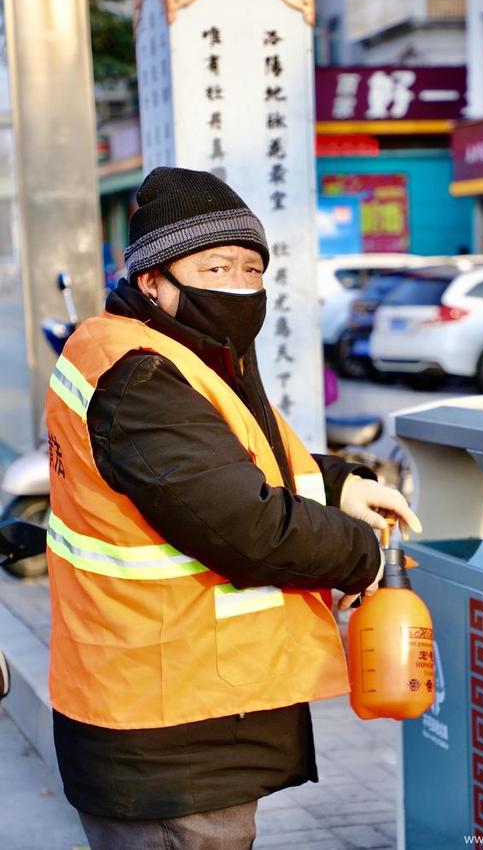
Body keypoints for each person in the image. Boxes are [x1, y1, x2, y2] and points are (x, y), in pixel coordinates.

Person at [45, 167, 421, 850]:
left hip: (188, 710)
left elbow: (243, 464)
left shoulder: (189, 353)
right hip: (165, 730)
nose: (240, 287)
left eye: (252, 269)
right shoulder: (142, 374)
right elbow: (245, 527)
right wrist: (364, 556)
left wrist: (338, 486)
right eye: (215, 266)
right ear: (153, 279)